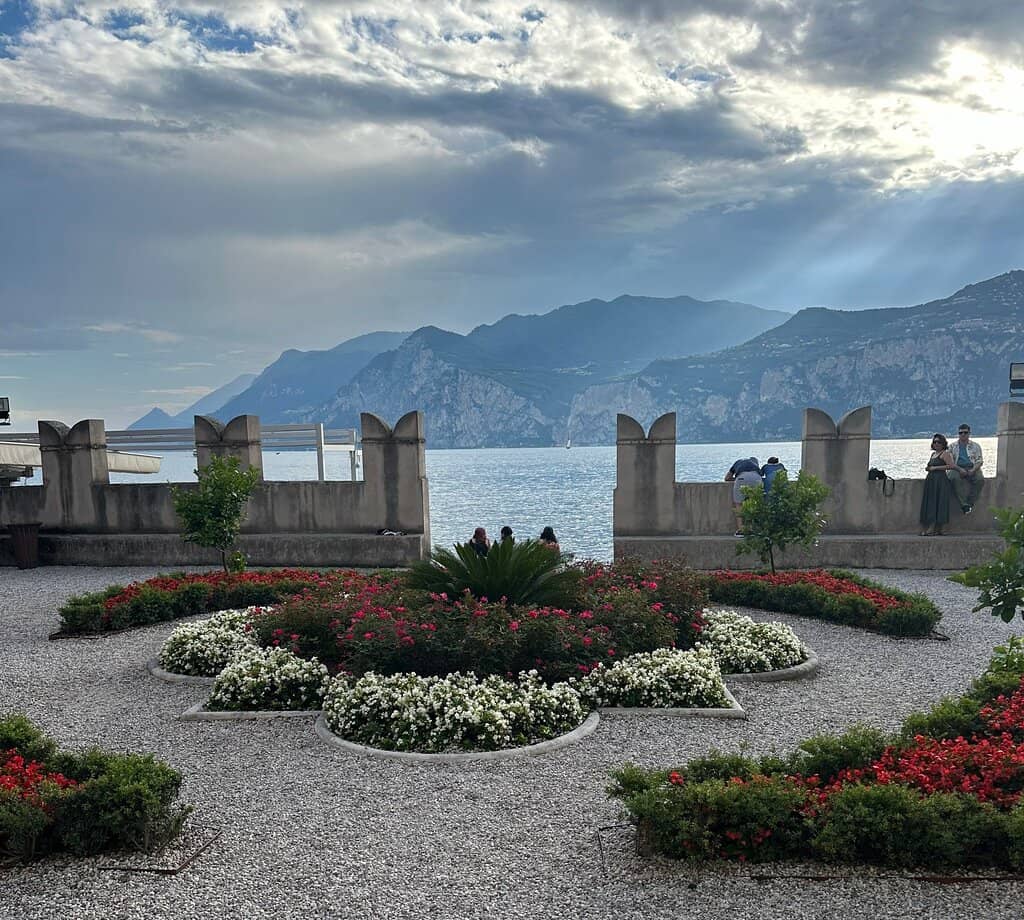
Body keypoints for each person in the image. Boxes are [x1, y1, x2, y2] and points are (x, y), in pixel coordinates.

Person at [920, 433, 957, 535]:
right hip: (931, 481)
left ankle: (937, 528)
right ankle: (933, 528)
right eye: (935, 442)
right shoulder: (933, 454)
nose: (936, 444)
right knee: (931, 503)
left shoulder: (945, 454)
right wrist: (928, 468)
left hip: (940, 481)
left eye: (939, 442)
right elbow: (929, 466)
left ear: (943, 443)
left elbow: (951, 465)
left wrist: (935, 468)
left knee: (940, 503)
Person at [947, 423, 984, 514]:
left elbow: (979, 460)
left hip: (972, 467)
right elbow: (950, 462)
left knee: (980, 480)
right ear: (958, 434)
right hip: (956, 467)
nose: (963, 434)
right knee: (953, 478)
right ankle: (964, 504)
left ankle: (970, 503)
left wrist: (973, 470)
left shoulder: (976, 446)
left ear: (969, 433)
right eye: (961, 433)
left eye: (965, 432)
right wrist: (960, 469)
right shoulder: (952, 446)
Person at [725, 456, 760, 536]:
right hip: (757, 478)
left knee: (739, 504)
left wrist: (737, 479)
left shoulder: (738, 462)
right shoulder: (755, 466)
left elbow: (727, 478)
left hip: (741, 478)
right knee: (754, 503)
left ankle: (741, 530)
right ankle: (752, 529)